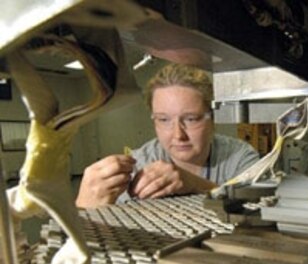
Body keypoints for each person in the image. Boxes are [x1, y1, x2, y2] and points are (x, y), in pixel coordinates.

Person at [76, 63, 259, 208]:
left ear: (213, 118)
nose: (178, 135)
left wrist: (196, 185)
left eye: (191, 119)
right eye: (164, 120)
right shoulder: (139, 165)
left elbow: (260, 212)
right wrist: (84, 206)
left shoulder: (240, 158)